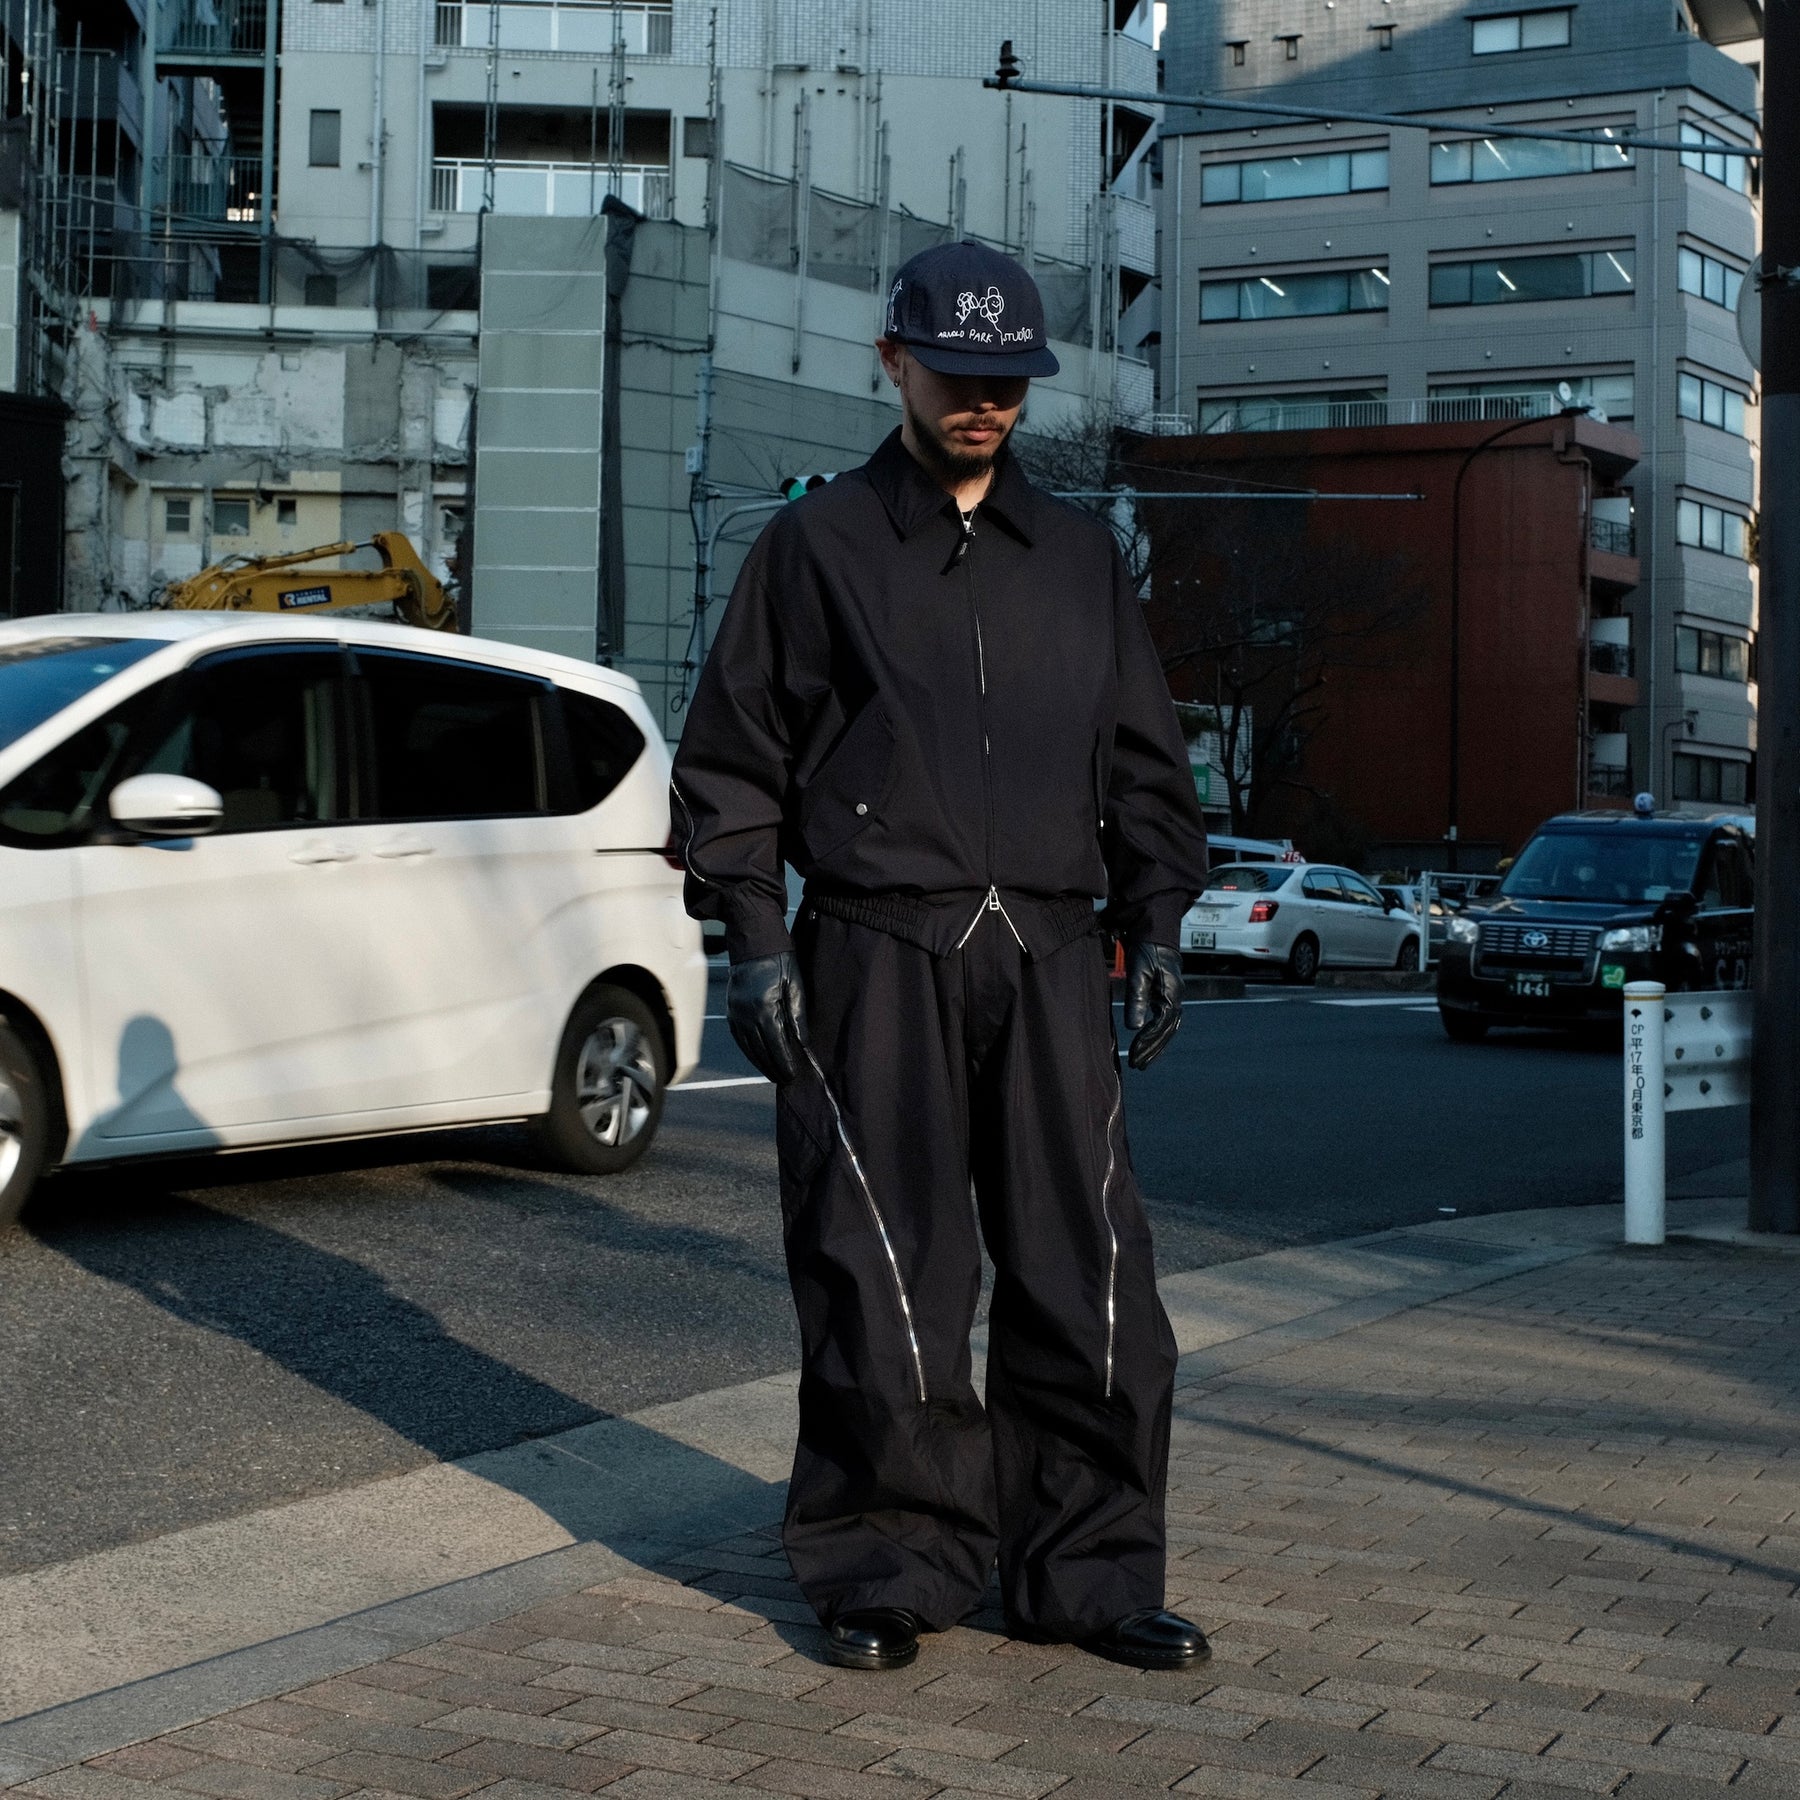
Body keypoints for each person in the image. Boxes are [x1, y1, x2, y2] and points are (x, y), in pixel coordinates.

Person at [671, 239, 1212, 1674]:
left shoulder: (1083, 560)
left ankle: (1089, 1575)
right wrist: (754, 937)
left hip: (1048, 953)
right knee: (883, 1270)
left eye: (1008, 382)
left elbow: (1148, 763)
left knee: (1088, 1276)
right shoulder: (816, 545)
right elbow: (734, 763)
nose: (985, 404)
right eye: (958, 375)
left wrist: (1157, 922)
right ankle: (886, 1566)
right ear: (895, 362)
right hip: (870, 951)